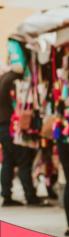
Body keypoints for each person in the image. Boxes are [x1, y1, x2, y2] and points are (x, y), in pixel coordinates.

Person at [0, 40, 51, 207]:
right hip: (12, 125)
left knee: (8, 161)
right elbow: (18, 103)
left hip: (3, 125)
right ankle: (30, 195)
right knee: (23, 160)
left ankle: (6, 195)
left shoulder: (3, 77)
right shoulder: (15, 79)